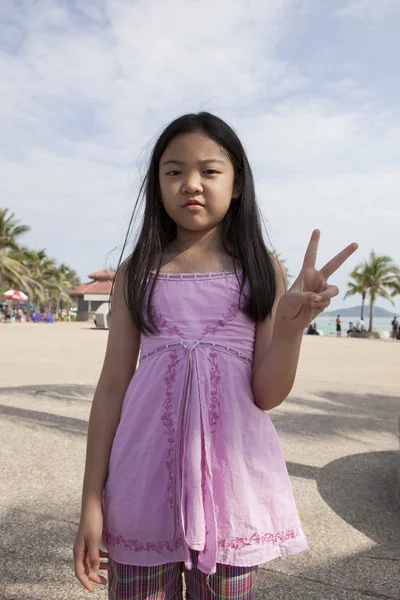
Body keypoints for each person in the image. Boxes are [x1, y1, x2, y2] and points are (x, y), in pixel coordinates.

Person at [73, 112, 358, 599]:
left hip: (232, 494)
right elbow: (113, 386)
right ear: (157, 183)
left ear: (238, 183)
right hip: (141, 487)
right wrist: (91, 501)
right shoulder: (138, 269)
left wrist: (291, 331)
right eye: (174, 170)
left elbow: (265, 394)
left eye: (209, 170)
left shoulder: (260, 269)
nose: (191, 184)